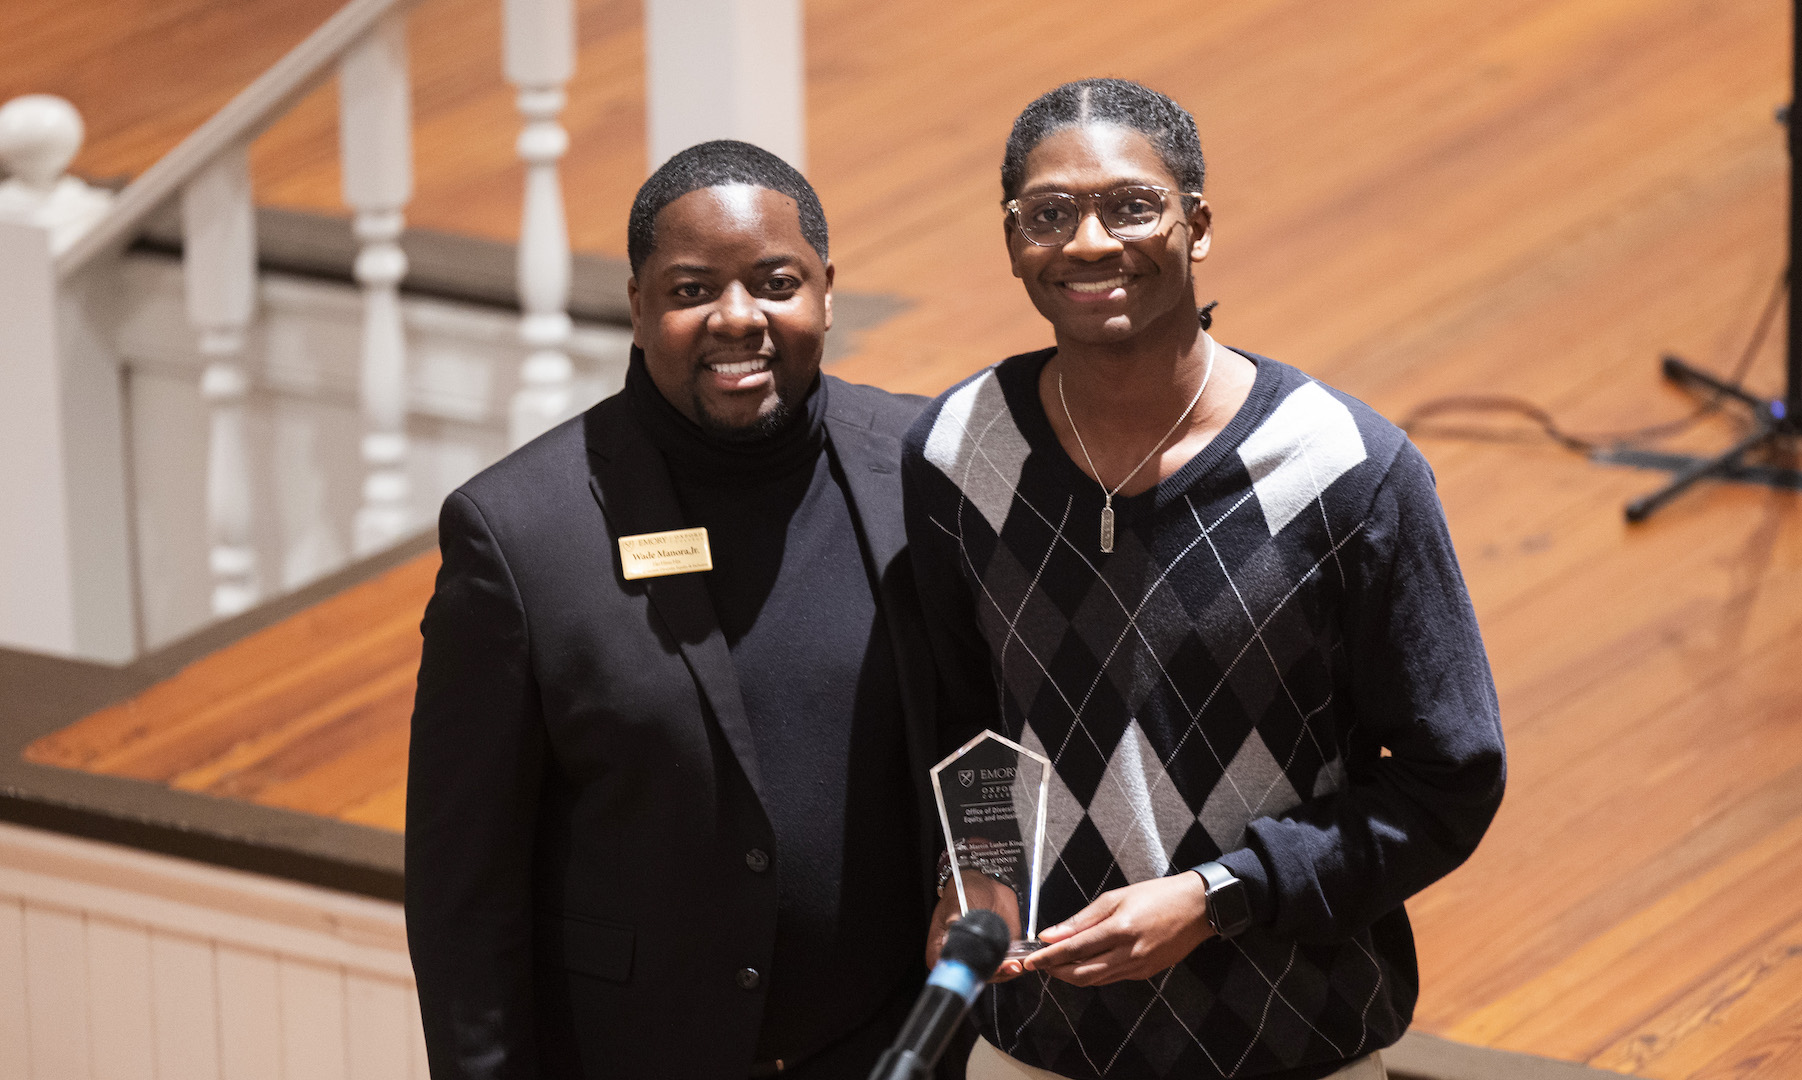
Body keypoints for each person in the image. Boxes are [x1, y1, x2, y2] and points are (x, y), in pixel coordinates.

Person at [902, 79, 1507, 1080]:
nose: (1089, 243)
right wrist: (985, 874)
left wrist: (1221, 895)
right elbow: (971, 722)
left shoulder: (1347, 471)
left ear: (1199, 222)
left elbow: (1451, 781)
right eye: (1049, 215)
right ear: (1012, 243)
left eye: (1131, 206)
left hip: (1294, 1043)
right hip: (1039, 1048)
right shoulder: (958, 455)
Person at [406, 140, 958, 1080]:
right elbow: (465, 897)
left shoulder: (924, 465)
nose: (736, 318)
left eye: (775, 282)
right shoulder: (517, 534)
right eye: (691, 289)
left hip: (895, 1052)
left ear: (827, 290)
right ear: (636, 305)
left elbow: (988, 718)